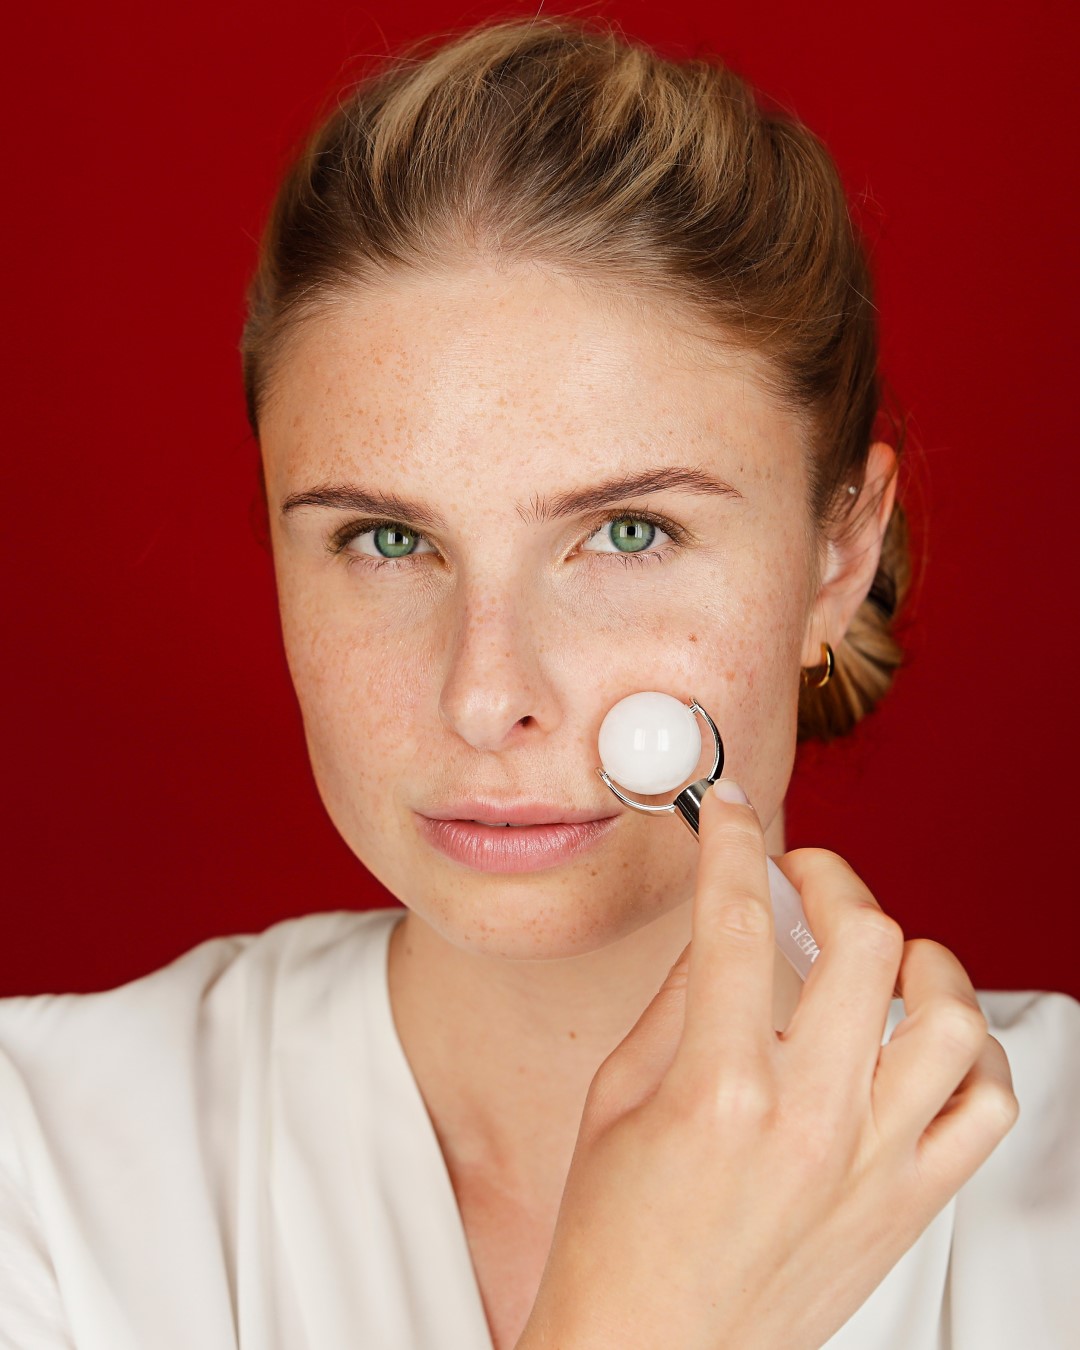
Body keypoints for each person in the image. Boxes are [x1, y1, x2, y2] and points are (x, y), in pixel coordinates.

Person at [1, 15, 1077, 1349]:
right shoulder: (38, 1169)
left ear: (837, 553)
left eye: (629, 532)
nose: (484, 692)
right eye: (387, 540)